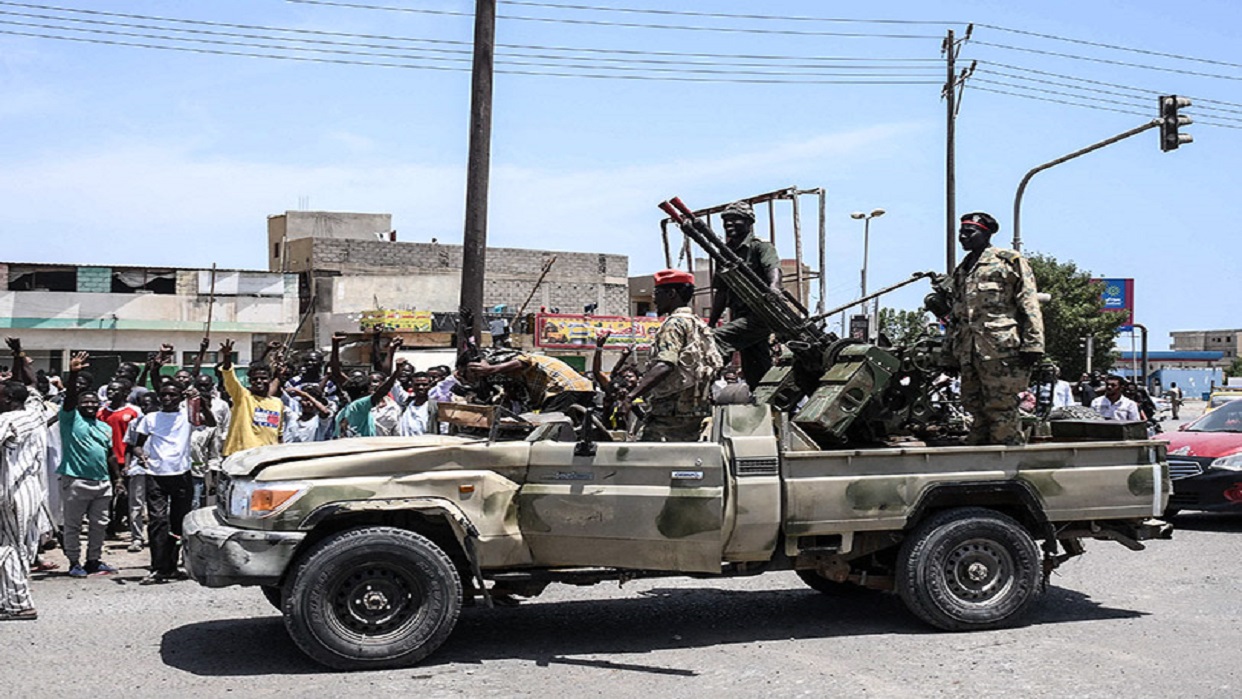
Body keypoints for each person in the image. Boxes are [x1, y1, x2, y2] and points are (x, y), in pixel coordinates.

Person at [947, 212, 1045, 446]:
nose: (962, 237)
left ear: (986, 233)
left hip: (1000, 350)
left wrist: (1034, 343)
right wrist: (948, 353)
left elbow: (1029, 302)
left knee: (1002, 409)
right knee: (974, 407)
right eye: (961, 232)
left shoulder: (1008, 261)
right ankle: (980, 462)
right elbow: (956, 315)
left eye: (969, 232)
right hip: (969, 351)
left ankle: (1008, 463)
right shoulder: (963, 269)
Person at [622, 269, 723, 442]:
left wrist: (631, 396)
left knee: (644, 459)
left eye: (657, 293)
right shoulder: (698, 323)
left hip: (669, 412)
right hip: (695, 409)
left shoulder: (674, 324)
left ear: (671, 294)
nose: (654, 299)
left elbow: (665, 364)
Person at [705, 201, 782, 390]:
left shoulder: (760, 247)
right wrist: (711, 323)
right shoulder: (725, 253)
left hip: (761, 314)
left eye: (735, 219)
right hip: (741, 316)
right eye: (725, 220)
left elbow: (773, 269)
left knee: (714, 340)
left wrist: (774, 287)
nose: (728, 224)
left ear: (749, 222)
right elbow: (721, 292)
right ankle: (765, 403)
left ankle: (706, 382)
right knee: (755, 368)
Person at [57, 352, 119, 578]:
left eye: (94, 402)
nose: (91, 405)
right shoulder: (70, 419)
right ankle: (74, 562)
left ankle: (93, 560)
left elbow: (110, 454)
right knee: (73, 526)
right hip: (75, 480)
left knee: (99, 525)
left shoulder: (104, 427)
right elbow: (71, 398)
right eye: (86, 402)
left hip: (102, 482)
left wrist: (118, 478)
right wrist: (74, 374)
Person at [132, 382, 194, 584]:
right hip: (156, 475)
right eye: (164, 395)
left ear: (180, 396)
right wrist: (141, 455)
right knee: (158, 521)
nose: (167, 399)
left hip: (182, 474)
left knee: (178, 522)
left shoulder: (188, 416)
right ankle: (158, 567)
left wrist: (196, 401)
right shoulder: (150, 419)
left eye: (172, 395)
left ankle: (173, 566)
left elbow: (209, 422)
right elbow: (137, 445)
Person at [0, 377, 47, 621]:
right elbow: (35, 393)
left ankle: (19, 604)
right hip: (32, 490)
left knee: (9, 548)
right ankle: (8, 599)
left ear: (7, 399)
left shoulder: (6, 420)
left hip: (11, 491)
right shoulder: (34, 413)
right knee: (19, 546)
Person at [463, 350, 594, 415]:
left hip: (565, 388)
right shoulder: (516, 377)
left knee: (547, 427)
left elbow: (526, 360)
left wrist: (492, 369)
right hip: (584, 388)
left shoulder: (500, 359)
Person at [217, 339, 284, 457]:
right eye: (255, 379)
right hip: (240, 455)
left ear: (269, 379)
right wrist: (227, 357)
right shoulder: (242, 396)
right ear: (249, 381)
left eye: (263, 378)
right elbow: (228, 375)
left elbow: (278, 434)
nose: (259, 381)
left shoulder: (277, 403)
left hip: (267, 456)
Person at [332, 335, 404, 438]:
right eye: (369, 385)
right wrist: (397, 372)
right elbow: (383, 390)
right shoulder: (360, 406)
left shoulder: (345, 410)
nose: (372, 387)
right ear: (364, 392)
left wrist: (335, 345)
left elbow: (336, 373)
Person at [396, 372, 438, 437]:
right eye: (417, 384)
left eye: (424, 384)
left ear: (430, 385)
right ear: (412, 385)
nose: (421, 387)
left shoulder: (435, 406)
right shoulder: (407, 404)